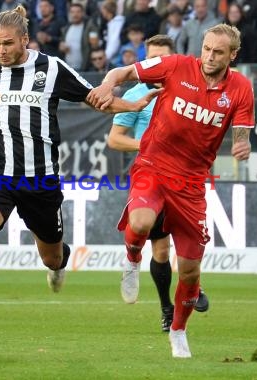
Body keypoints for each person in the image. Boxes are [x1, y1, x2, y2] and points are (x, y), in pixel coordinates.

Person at [0, 6, 158, 329]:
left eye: (8, 43)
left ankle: (59, 262)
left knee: (52, 257)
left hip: (40, 183)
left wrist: (131, 105)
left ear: (25, 40)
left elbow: (92, 97)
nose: (0, 50)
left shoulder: (52, 69)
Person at [88, 23, 254, 358]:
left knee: (191, 270)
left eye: (218, 52)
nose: (209, 56)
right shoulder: (176, 65)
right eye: (206, 48)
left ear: (232, 55)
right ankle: (132, 259)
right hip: (153, 164)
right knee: (142, 221)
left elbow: (241, 132)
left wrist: (241, 145)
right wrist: (107, 84)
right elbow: (122, 72)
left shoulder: (240, 88)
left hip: (192, 183)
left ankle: (178, 330)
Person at [107, 34, 209, 333]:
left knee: (190, 243)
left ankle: (192, 284)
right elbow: (115, 139)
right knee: (162, 251)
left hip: (187, 179)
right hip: (152, 177)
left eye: (160, 57)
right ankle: (167, 308)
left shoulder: (191, 90)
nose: (154, 63)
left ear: (171, 58)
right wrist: (151, 147)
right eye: (149, 57)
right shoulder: (137, 93)